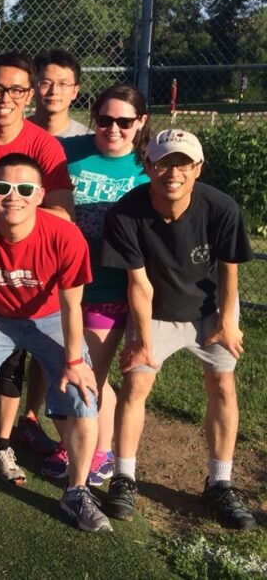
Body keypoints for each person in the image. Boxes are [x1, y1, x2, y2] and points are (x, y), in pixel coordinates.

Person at [0, 154, 110, 533]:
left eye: (25, 189)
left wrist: (75, 360)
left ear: (41, 194)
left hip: (49, 316)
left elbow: (71, 305)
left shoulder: (64, 235)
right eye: (3, 188)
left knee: (82, 393)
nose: (14, 196)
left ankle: (76, 492)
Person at [102, 129, 257, 530]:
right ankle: (124, 475)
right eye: (164, 162)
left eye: (183, 163)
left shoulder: (220, 207)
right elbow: (138, 283)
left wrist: (227, 320)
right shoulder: (126, 212)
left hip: (210, 309)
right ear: (148, 166)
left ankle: (220, 482)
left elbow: (228, 268)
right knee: (136, 385)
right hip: (155, 309)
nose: (173, 172)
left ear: (197, 168)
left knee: (223, 384)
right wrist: (142, 341)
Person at [42, 85, 151, 486]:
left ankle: (99, 452)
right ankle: (71, 441)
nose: (114, 129)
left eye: (125, 122)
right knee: (62, 370)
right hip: (61, 282)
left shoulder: (148, 166)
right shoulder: (69, 151)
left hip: (110, 288)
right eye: (105, 120)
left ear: (140, 123)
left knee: (92, 374)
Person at [0, 49, 93, 460]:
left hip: (62, 256)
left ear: (75, 90)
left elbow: (64, 207)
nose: (52, 91)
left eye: (63, 83)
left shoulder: (85, 139)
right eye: (45, 81)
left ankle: (32, 418)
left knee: (46, 343)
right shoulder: (20, 131)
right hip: (10, 258)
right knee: (10, 349)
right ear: (33, 85)